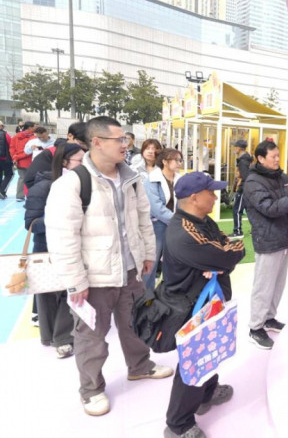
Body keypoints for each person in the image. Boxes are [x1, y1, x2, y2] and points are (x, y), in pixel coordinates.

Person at [45, 116, 173, 417]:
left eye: (126, 139)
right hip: (94, 277)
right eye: (120, 140)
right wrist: (76, 281)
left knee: (135, 323)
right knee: (91, 336)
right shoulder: (72, 183)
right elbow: (62, 237)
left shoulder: (132, 178)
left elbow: (143, 220)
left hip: (130, 271)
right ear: (97, 142)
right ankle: (91, 389)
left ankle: (139, 366)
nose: (126, 145)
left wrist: (147, 255)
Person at [162, 171, 246, 438]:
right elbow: (230, 253)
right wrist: (221, 261)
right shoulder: (183, 233)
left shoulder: (202, 220)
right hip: (191, 306)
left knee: (211, 350)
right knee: (193, 361)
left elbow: (227, 245)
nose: (215, 197)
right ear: (195, 197)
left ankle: (206, 393)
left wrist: (219, 261)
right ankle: (178, 424)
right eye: (211, 192)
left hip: (208, 302)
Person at [244, 140, 288, 349]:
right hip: (268, 240)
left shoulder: (281, 177)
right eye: (273, 156)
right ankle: (255, 328)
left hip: (285, 237)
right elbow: (270, 208)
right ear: (260, 158)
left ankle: (269, 318)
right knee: (263, 286)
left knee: (278, 283)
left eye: (278, 155)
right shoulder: (253, 182)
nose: (277, 159)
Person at [24, 143, 84, 358]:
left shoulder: (81, 185)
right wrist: (61, 219)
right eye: (80, 160)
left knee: (70, 291)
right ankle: (50, 337)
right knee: (48, 294)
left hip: (72, 247)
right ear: (65, 162)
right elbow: (31, 223)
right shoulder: (43, 187)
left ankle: (63, 338)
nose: (84, 165)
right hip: (46, 249)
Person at [144, 148, 183, 290]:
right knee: (151, 261)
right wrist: (177, 220)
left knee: (173, 262)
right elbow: (156, 208)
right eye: (176, 160)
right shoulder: (151, 180)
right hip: (156, 225)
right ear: (165, 162)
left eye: (180, 160)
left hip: (175, 225)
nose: (179, 163)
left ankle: (168, 294)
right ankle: (146, 295)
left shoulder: (180, 179)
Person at [24, 121, 87, 192]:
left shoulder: (88, 153)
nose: (85, 147)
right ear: (70, 136)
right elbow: (30, 180)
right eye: (82, 143)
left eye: (88, 144)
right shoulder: (50, 153)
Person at [229, 139, 253, 238]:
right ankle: (256, 229)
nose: (234, 148)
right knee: (249, 210)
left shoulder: (243, 161)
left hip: (244, 188)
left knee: (237, 210)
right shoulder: (245, 159)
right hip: (247, 188)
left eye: (235, 147)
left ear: (239, 148)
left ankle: (238, 231)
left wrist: (240, 186)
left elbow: (245, 176)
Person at [10, 121, 35, 201]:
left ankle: (20, 196)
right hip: (30, 161)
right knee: (33, 179)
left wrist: (15, 157)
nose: (36, 128)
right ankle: (32, 196)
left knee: (21, 178)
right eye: (35, 126)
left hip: (19, 162)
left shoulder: (16, 136)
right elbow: (29, 151)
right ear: (30, 128)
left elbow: (12, 148)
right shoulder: (33, 138)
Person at [0, 120, 12, 199]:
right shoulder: (6, 134)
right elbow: (11, 145)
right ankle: (2, 191)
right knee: (9, 174)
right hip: (4, 158)